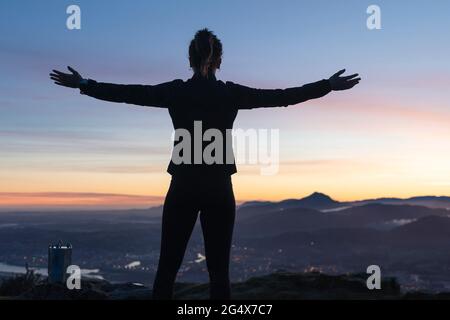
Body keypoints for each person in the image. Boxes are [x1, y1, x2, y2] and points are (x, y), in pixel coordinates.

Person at [49, 28, 360, 300]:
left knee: (167, 267)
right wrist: (327, 85)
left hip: (182, 186)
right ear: (219, 59)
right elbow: (282, 97)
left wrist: (84, 83)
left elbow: (128, 94)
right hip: (218, 189)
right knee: (218, 272)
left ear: (189, 59)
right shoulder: (230, 94)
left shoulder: (176, 91)